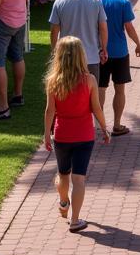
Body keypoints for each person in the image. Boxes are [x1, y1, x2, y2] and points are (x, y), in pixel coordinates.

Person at [44, 36, 110, 232]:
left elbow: (50, 111)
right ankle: (75, 220)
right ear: (81, 56)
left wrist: (47, 134)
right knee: (79, 179)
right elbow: (97, 108)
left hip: (62, 134)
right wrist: (104, 128)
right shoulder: (89, 80)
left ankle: (63, 201)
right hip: (84, 135)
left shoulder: (53, 81)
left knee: (63, 174)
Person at [98, 0, 140, 136]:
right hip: (119, 52)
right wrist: (138, 44)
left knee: (100, 88)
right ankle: (117, 124)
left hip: (99, 52)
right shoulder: (123, 2)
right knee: (120, 90)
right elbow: (129, 27)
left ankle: (100, 124)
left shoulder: (95, 0)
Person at [50, 0, 108, 81]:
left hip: (67, 57)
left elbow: (54, 31)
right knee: (91, 95)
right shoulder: (96, 0)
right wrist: (104, 48)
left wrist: (54, 50)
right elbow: (103, 28)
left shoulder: (60, 1)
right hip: (91, 57)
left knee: (67, 94)